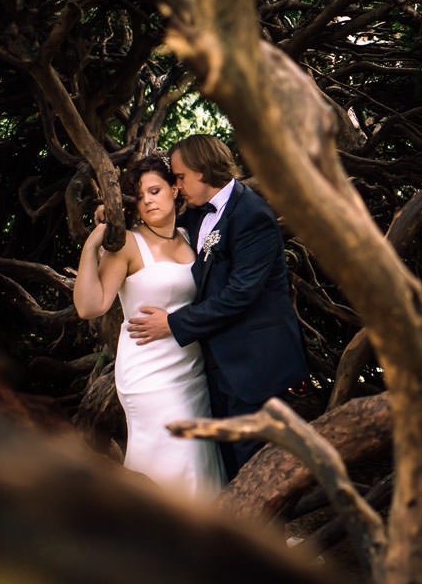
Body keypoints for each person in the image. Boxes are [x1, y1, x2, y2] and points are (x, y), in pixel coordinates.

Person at [126, 135, 310, 479]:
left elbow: (241, 294)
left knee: (257, 465)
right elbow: (159, 228)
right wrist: (112, 214)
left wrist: (174, 323)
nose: (177, 187)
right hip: (216, 364)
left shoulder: (252, 214)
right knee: (228, 465)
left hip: (255, 363)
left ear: (202, 170)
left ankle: (270, 533)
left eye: (180, 177)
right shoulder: (197, 215)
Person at [73, 155, 225, 499]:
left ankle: (209, 539)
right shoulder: (128, 243)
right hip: (147, 375)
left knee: (198, 458)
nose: (148, 201)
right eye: (140, 196)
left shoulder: (193, 236)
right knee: (168, 458)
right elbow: (89, 306)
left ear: (175, 189)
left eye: (155, 190)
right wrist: (91, 245)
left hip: (191, 369)